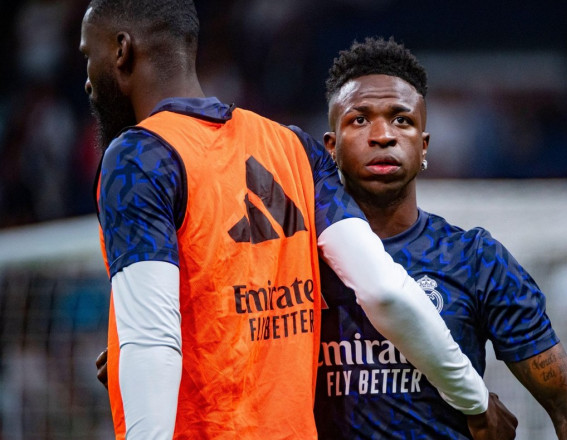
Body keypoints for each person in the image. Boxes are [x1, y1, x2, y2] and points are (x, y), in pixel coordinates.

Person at [80, 1, 516, 438]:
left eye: (88, 55)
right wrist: (474, 400)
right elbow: (387, 291)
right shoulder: (292, 147)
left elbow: (151, 342)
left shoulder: (139, 158)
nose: (86, 79)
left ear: (121, 50)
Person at [313, 37, 567, 439]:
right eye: (359, 120)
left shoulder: (474, 259)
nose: (382, 135)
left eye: (402, 120)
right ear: (330, 147)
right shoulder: (296, 258)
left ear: (423, 146)